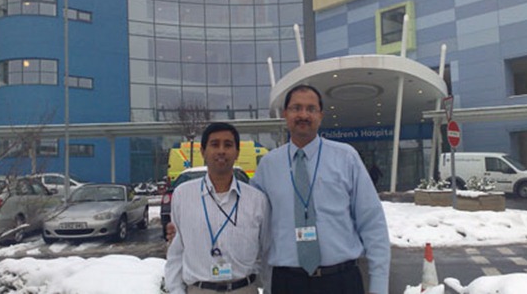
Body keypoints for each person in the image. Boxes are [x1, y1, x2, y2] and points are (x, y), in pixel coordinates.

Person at [250, 84, 390, 294]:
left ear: (321, 115)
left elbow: (372, 223)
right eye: (296, 108)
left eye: (311, 109)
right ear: (286, 113)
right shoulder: (268, 166)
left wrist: (379, 286)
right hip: (287, 283)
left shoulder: (346, 158)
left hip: (340, 282)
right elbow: (250, 220)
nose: (303, 115)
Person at [165, 122, 270, 294]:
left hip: (244, 288)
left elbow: (266, 252)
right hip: (200, 289)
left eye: (228, 145)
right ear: (203, 151)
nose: (221, 150)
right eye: (214, 144)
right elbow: (176, 252)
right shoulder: (183, 195)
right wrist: (176, 290)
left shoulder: (257, 200)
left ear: (237, 153)